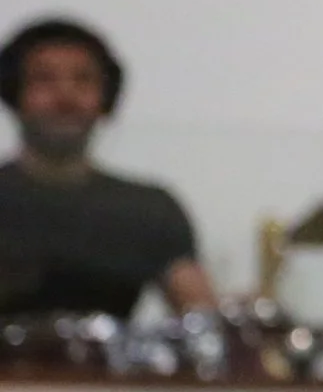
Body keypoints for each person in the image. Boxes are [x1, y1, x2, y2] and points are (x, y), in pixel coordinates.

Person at [0, 17, 215, 318]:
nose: (65, 97)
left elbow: (200, 316)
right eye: (44, 79)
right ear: (14, 93)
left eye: (83, 80)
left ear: (106, 98)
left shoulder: (149, 209)